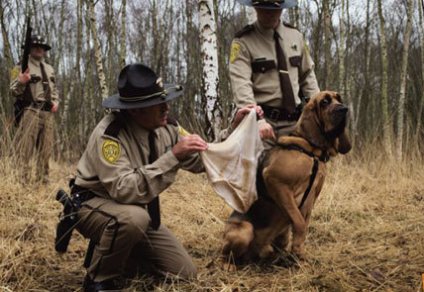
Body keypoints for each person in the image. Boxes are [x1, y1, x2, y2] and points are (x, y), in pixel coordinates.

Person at [72, 63, 262, 291]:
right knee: (133, 220)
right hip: (93, 205)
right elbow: (123, 190)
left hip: (134, 212)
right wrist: (173, 156)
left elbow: (203, 158)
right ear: (135, 110)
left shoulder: (168, 127)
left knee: (184, 272)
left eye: (165, 100)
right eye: (157, 104)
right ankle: (99, 279)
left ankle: (126, 256)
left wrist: (235, 129)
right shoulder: (110, 135)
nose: (166, 108)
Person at [230, 0, 320, 149]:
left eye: (274, 9)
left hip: (295, 123)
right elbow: (241, 85)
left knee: (303, 168)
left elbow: (307, 78)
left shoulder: (295, 36)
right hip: (263, 123)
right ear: (255, 7)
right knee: (261, 170)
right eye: (264, 9)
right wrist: (257, 120)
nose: (269, 14)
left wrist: (318, 111)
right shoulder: (243, 41)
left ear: (282, 8)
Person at [10, 34, 59, 183]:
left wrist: (56, 101)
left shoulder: (49, 68)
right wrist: (21, 81)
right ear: (29, 49)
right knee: (25, 149)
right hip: (30, 111)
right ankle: (22, 181)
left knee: (46, 150)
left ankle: (42, 181)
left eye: (42, 47)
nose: (39, 49)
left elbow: (55, 88)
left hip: (48, 113)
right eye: (36, 46)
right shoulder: (19, 66)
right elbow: (12, 91)